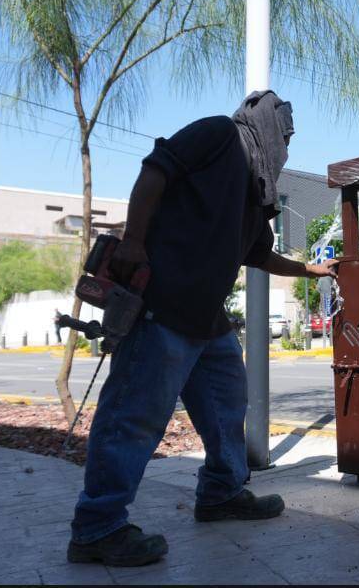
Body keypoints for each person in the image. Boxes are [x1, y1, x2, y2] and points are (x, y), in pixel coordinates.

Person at [67, 91, 337, 567]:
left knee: (227, 402)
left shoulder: (256, 189)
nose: (288, 149)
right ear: (268, 126)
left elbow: (258, 254)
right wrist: (132, 242)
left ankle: (221, 492)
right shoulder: (218, 135)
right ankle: (97, 526)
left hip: (207, 319)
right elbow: (156, 169)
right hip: (163, 304)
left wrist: (312, 272)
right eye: (287, 136)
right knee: (135, 415)